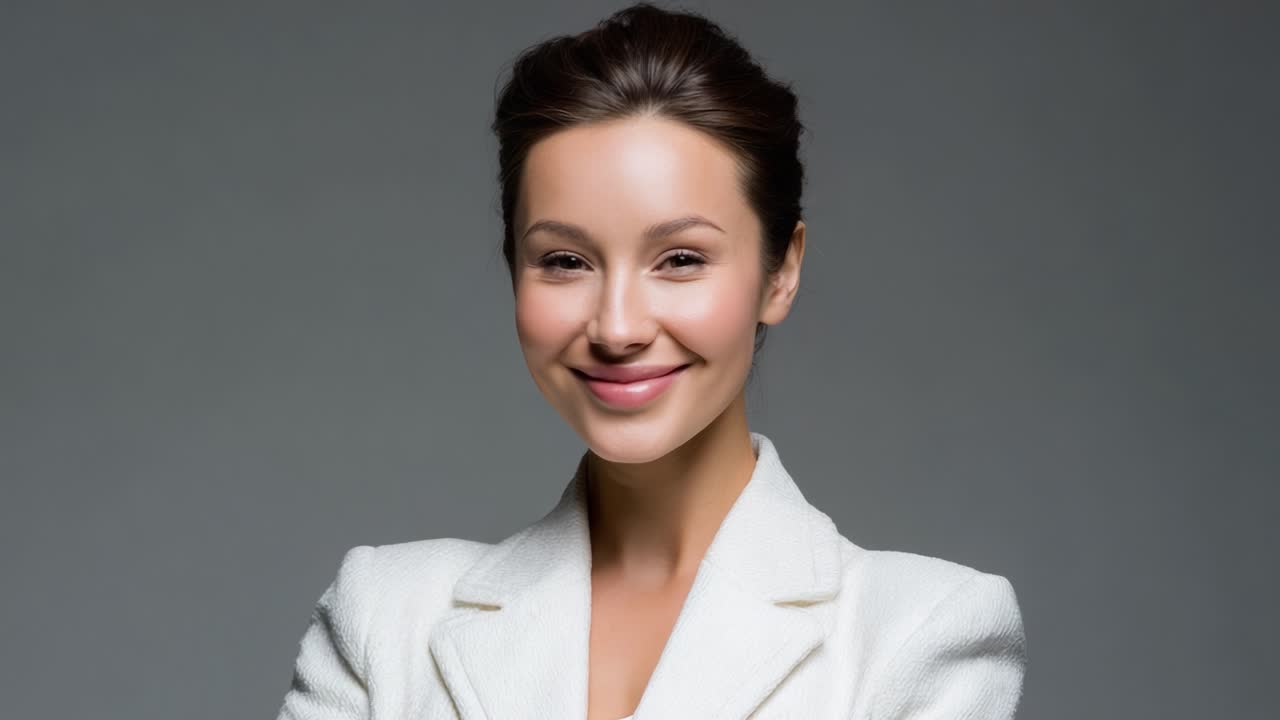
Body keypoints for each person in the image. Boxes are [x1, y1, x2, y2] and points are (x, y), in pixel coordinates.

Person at [275, 3, 1026, 719]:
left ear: (780, 271)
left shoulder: (915, 636)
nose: (618, 326)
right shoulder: (386, 620)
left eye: (680, 258)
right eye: (566, 260)